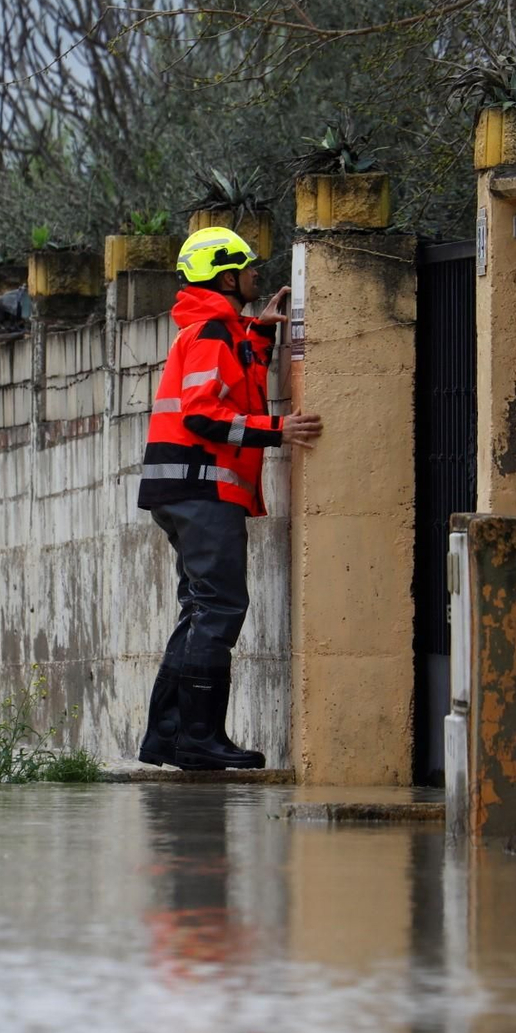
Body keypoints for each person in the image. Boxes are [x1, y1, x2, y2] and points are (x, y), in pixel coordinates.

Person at [137, 227, 323, 771]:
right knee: (218, 608)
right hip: (201, 487)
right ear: (224, 275)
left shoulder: (219, 329)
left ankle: (168, 738)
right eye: (246, 268)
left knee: (199, 608)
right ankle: (198, 738)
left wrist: (259, 336)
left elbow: (228, 386)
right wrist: (278, 429)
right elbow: (202, 413)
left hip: (186, 488)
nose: (255, 274)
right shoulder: (213, 329)